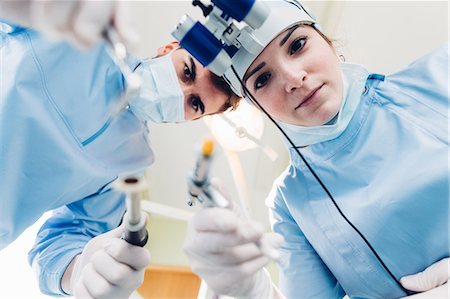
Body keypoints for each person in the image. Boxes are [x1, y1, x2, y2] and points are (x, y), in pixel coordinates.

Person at [183, 0, 449, 298]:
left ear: (325, 39)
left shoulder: (440, 74)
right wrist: (248, 290)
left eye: (297, 45)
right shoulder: (291, 204)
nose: (294, 79)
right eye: (263, 79)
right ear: (257, 106)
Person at [0, 9, 240, 299]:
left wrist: (80, 272)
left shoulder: (130, 162)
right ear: (168, 49)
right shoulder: (82, 31)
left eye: (195, 104)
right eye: (186, 72)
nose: (179, 93)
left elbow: (61, 244)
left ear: (188, 119)